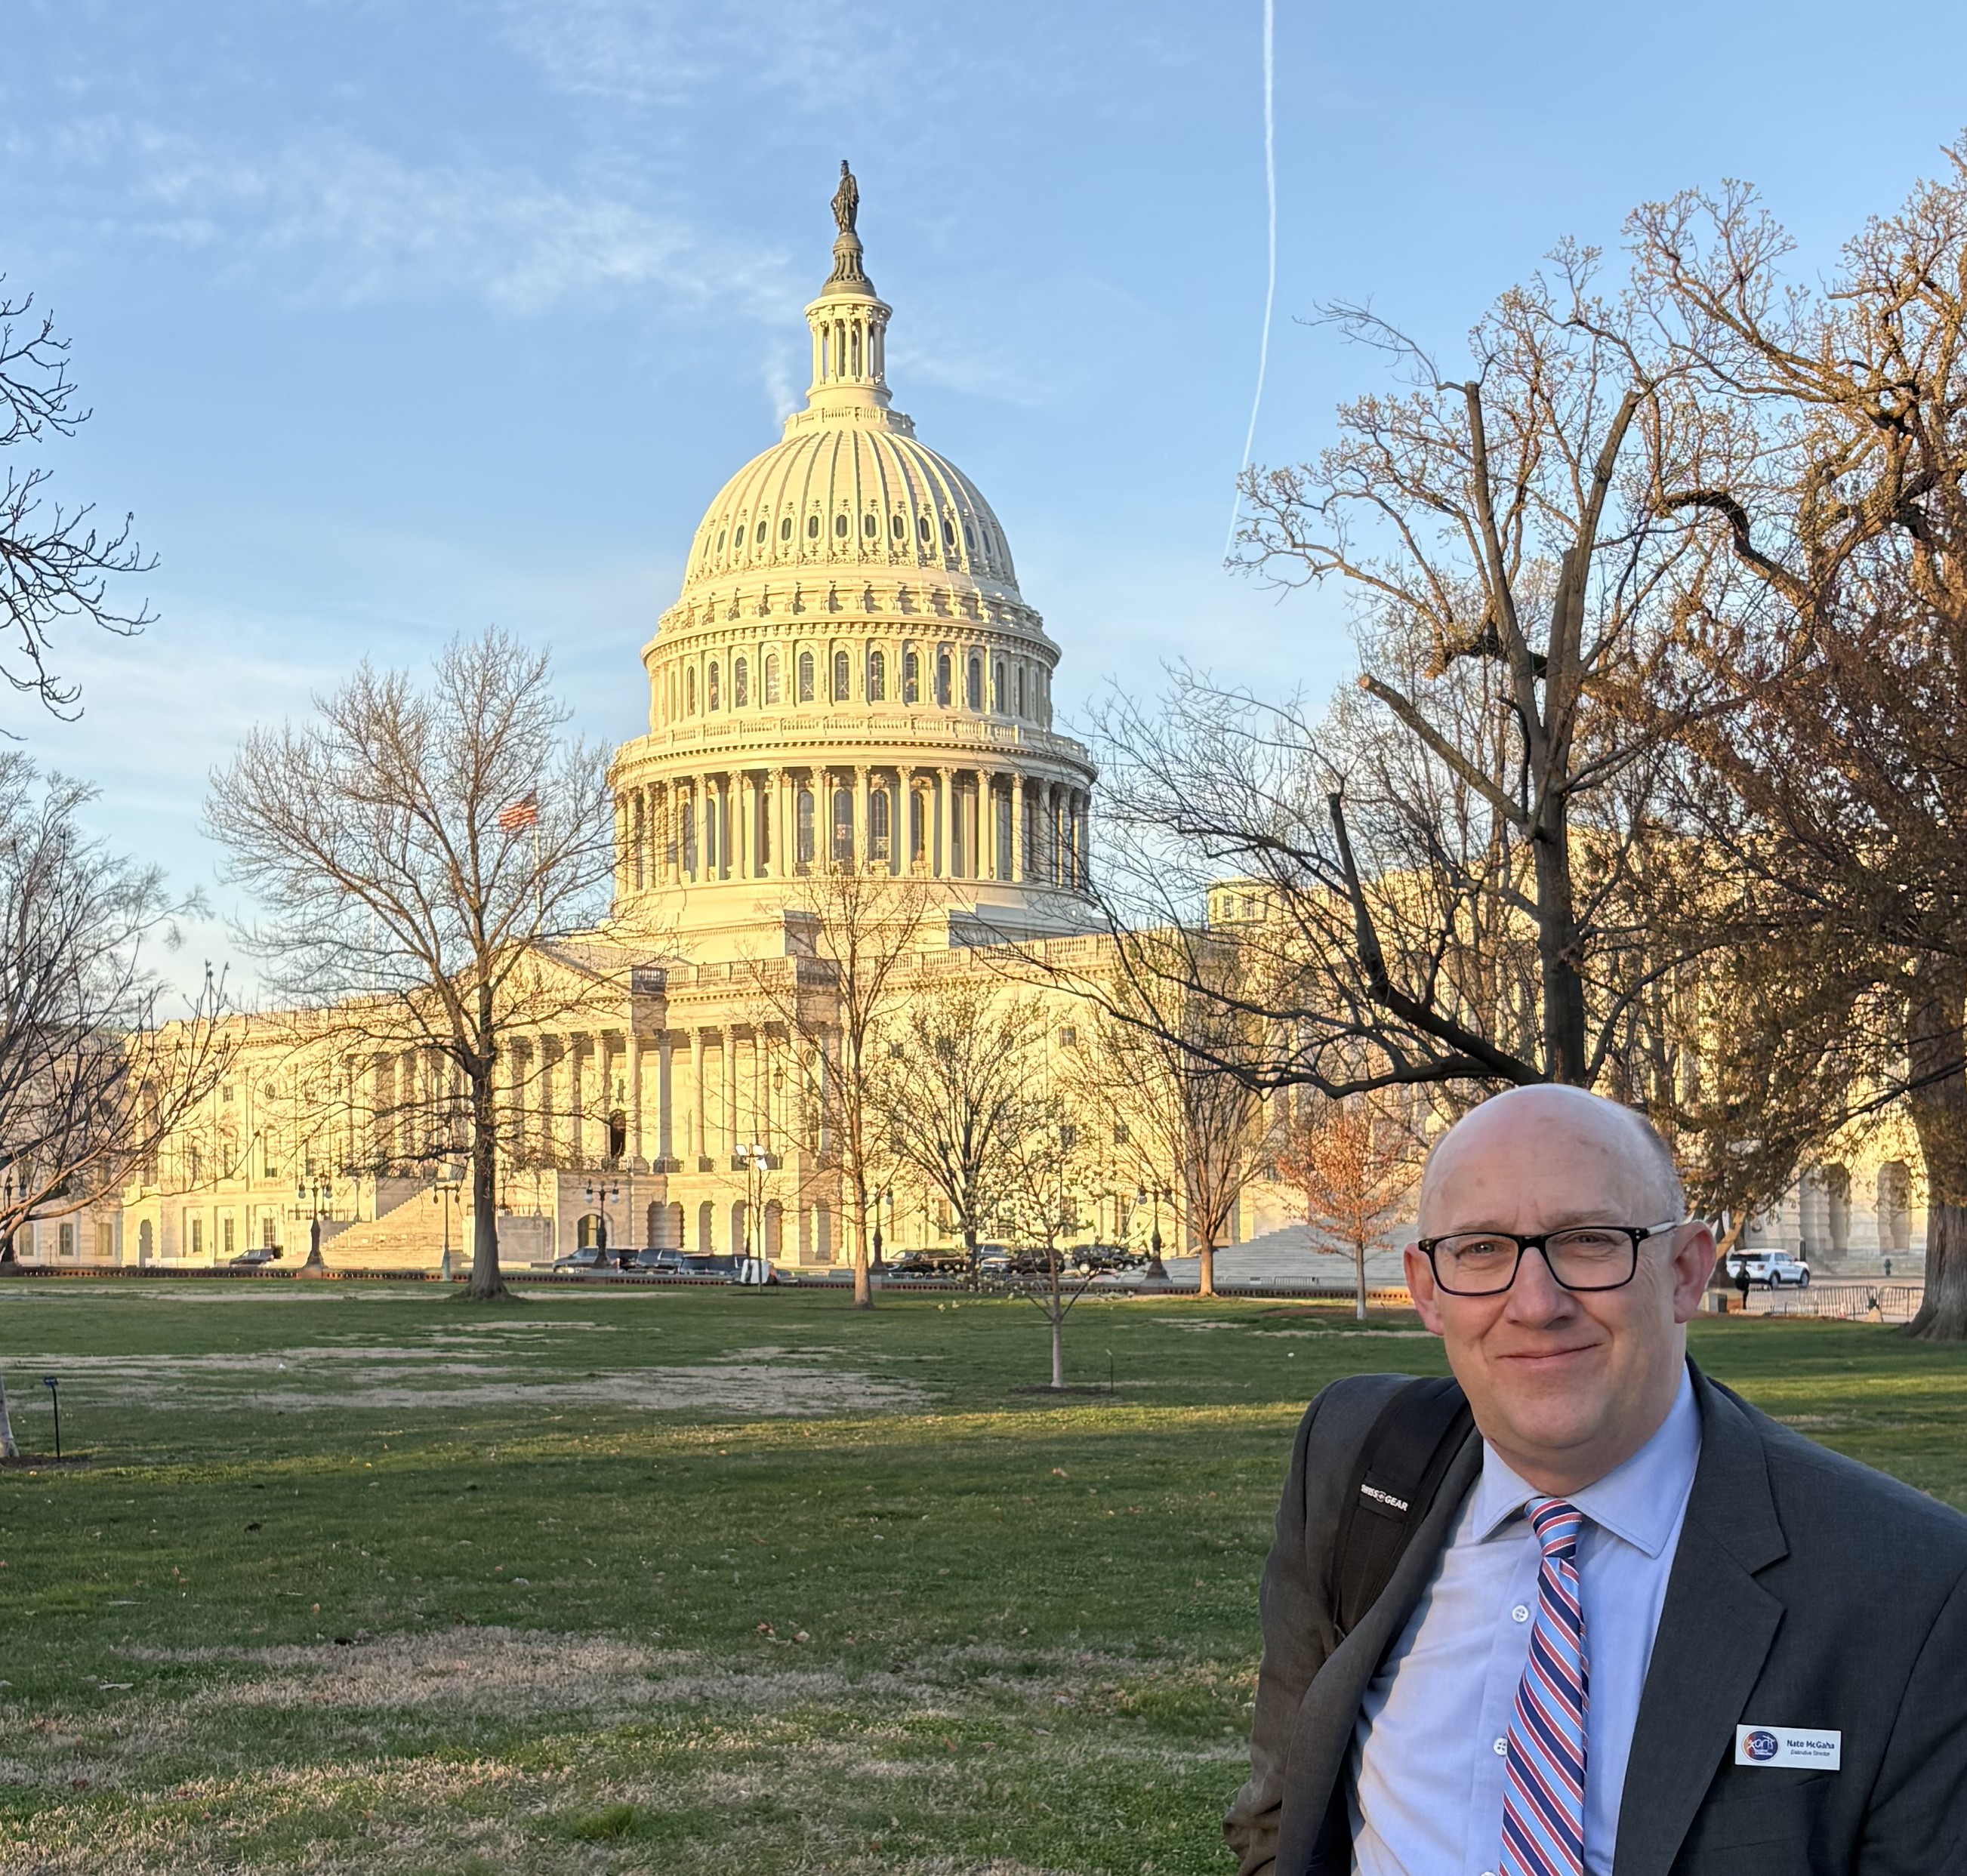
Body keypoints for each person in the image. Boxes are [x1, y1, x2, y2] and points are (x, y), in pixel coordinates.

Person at [1224, 1085, 1967, 1876]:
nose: (1535, 1303)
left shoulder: (1909, 1586)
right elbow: (1281, 1814)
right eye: (1480, 1249)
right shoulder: (1357, 1462)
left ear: (1685, 1271)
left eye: (1587, 1241)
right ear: (1425, 1289)